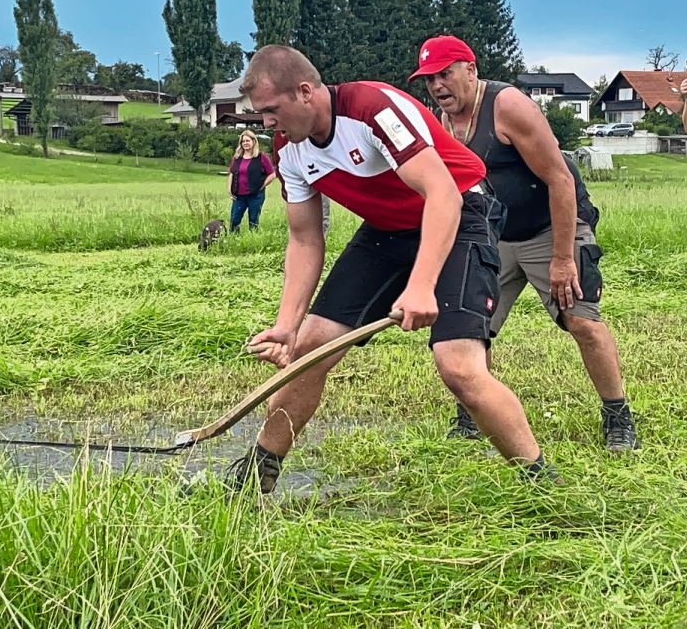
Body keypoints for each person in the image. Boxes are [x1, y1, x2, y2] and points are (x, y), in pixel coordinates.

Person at [227, 44, 556, 495]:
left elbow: (443, 193)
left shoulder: (372, 108)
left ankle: (541, 483)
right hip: (389, 229)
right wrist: (287, 325)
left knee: (457, 365)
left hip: (461, 211)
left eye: (271, 110)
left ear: (305, 92)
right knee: (310, 348)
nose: (266, 124)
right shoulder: (288, 150)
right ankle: (253, 479)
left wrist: (421, 286)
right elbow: (305, 239)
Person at [409, 35, 638, 452]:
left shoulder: (508, 106)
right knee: (471, 328)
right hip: (494, 235)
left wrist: (563, 258)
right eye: (429, 80)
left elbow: (560, 179)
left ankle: (618, 415)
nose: (438, 86)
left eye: (445, 73)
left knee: (582, 320)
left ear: (470, 69)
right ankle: (472, 416)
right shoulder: (438, 121)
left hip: (552, 226)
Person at [227, 130, 276, 232]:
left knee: (253, 220)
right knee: (234, 220)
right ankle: (233, 241)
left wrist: (262, 186)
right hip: (239, 196)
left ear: (254, 141)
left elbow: (272, 174)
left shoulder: (261, 157)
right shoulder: (237, 158)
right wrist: (230, 189)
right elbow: (232, 173)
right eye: (243, 141)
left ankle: (252, 242)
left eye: (247, 140)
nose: (245, 143)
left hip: (255, 195)